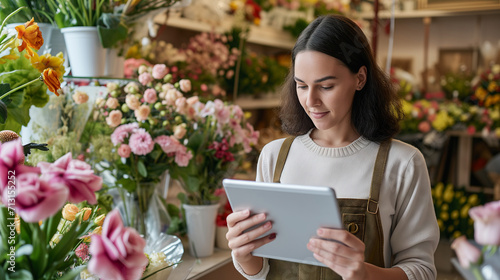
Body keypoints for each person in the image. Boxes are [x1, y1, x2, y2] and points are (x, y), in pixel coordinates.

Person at [225, 14, 439, 280]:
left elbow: (422, 270)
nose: (311, 100)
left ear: (360, 78)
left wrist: (364, 274)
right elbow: (263, 271)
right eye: (301, 86)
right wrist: (245, 256)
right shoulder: (274, 156)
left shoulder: (402, 163)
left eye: (326, 86)